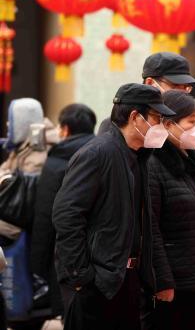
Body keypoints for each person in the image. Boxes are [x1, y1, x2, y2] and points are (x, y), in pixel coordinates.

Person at [53, 84, 175, 330]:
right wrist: (81, 276)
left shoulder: (140, 157)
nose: (161, 126)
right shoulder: (98, 153)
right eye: (156, 118)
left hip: (127, 280)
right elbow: (67, 214)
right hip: (98, 284)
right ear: (134, 117)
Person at [142, 91, 195, 330]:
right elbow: (151, 228)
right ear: (169, 125)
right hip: (170, 283)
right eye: (191, 122)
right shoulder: (153, 165)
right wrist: (163, 280)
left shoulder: (194, 162)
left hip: (193, 276)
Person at [30, 103, 97, 317]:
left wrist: (37, 264)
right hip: (104, 254)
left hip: (66, 256)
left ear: (65, 129)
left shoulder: (56, 160)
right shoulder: (104, 153)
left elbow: (45, 216)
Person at [0, 98, 58, 240]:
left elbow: (24, 197)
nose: (8, 124)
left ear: (22, 124)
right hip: (12, 214)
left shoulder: (40, 151)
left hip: (19, 223)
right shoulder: (23, 146)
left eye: (11, 120)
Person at [98, 52, 195, 134]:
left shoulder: (183, 127)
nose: (182, 93)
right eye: (175, 86)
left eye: (186, 87)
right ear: (150, 83)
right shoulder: (120, 124)